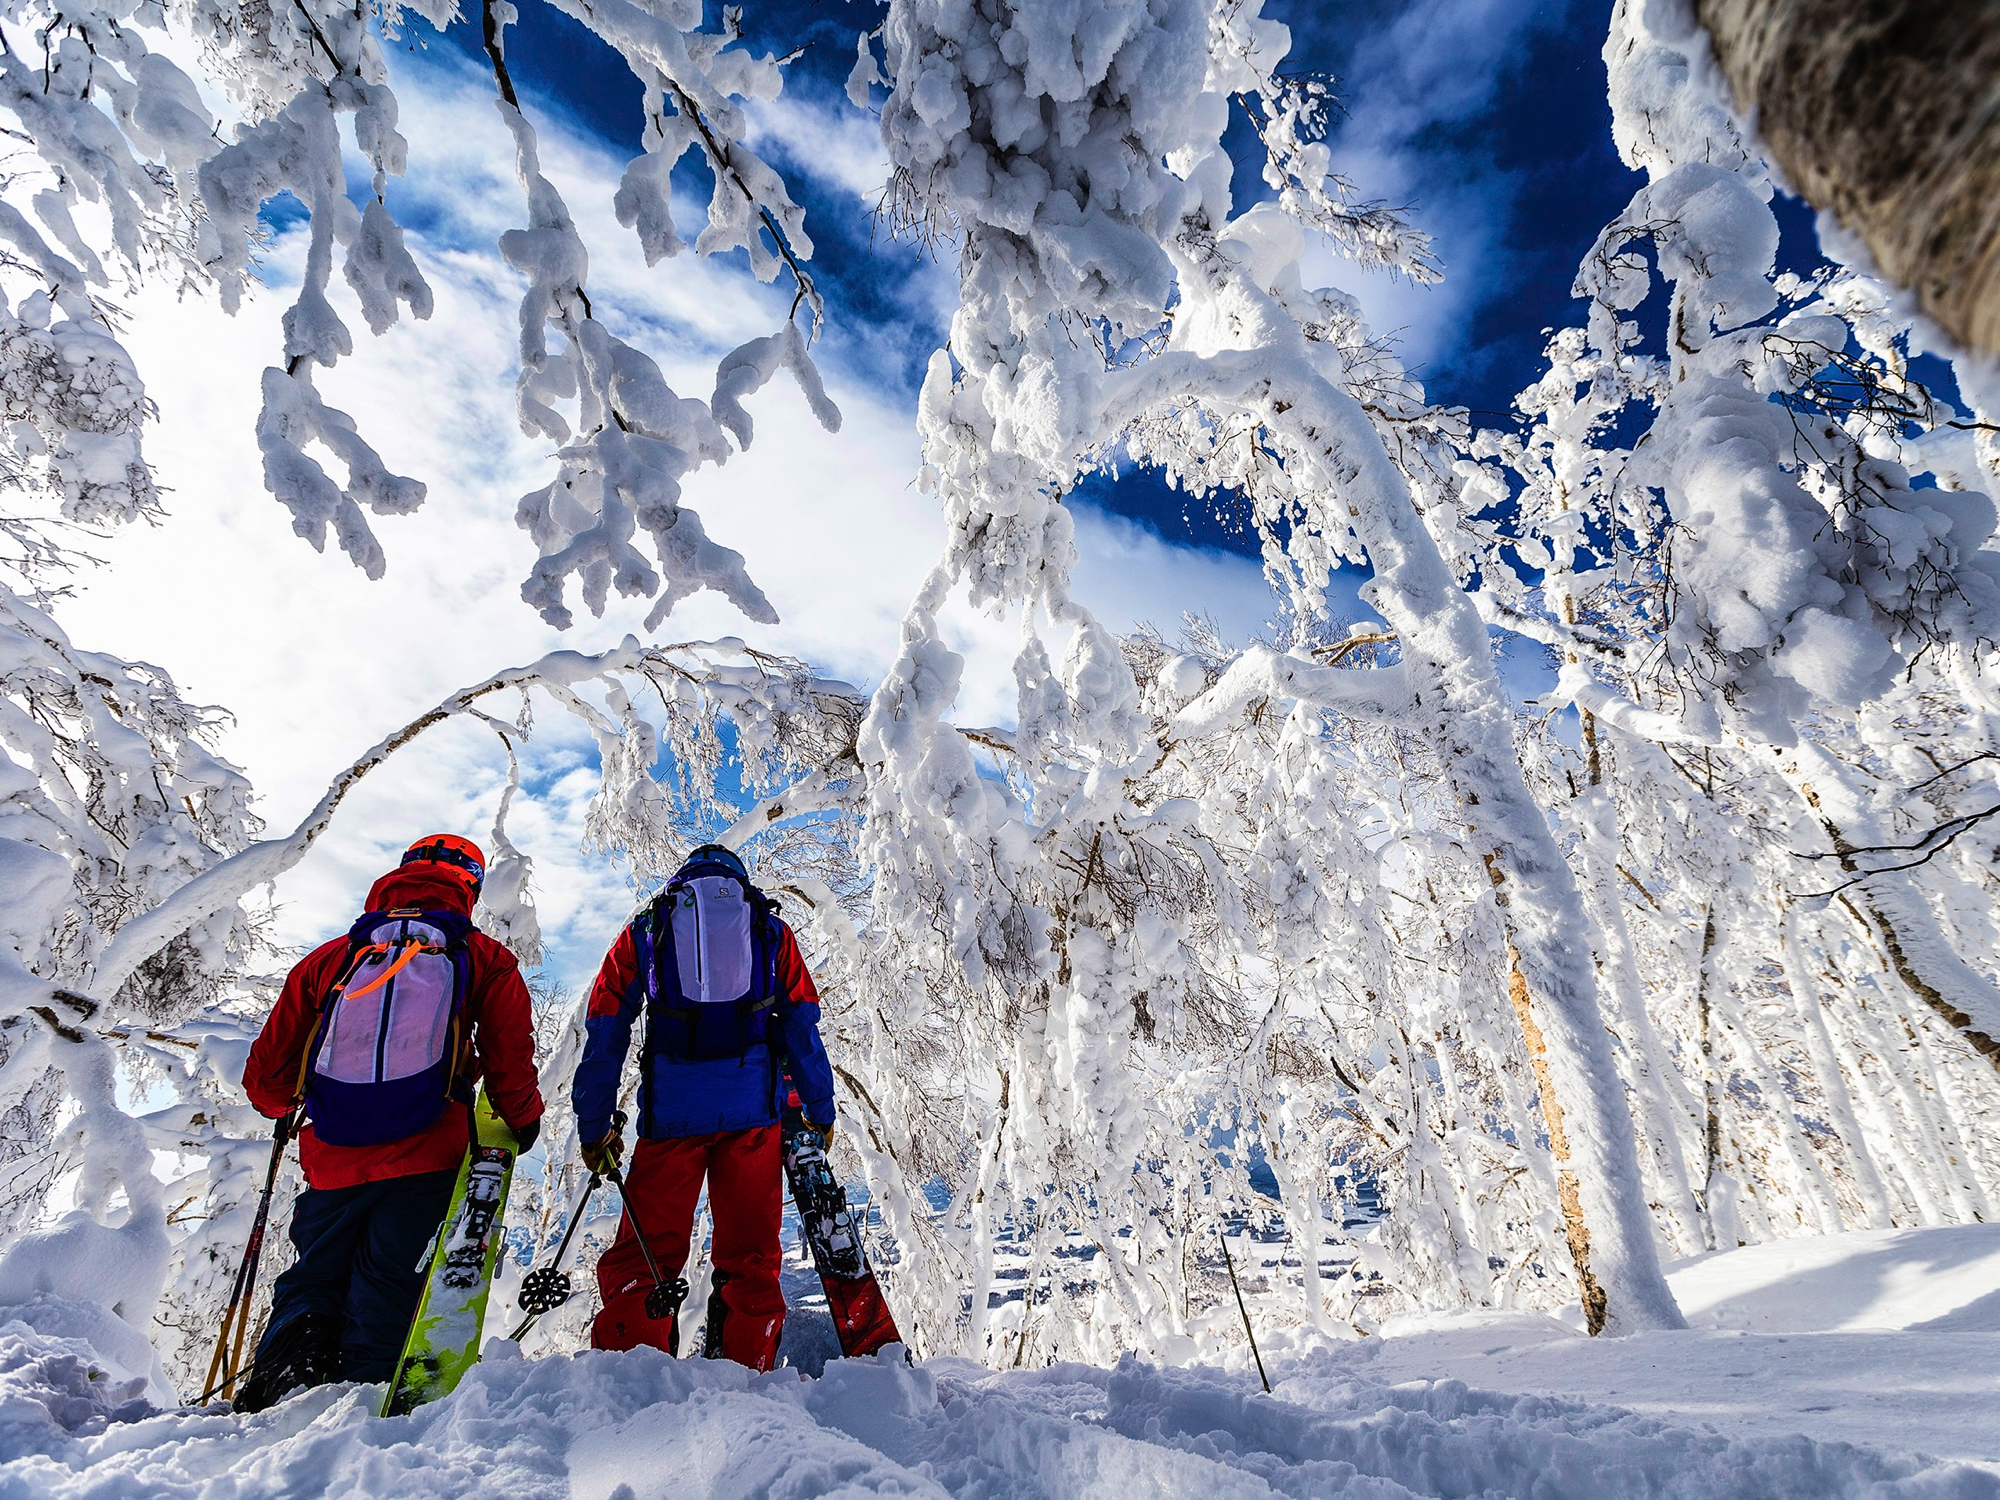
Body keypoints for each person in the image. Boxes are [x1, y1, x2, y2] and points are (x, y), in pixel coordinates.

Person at [234, 834, 543, 1410]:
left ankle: (278, 1400)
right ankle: (364, 1415)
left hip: (332, 1154)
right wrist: (522, 1122)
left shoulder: (332, 958)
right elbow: (509, 1059)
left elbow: (268, 1081)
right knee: (390, 1280)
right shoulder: (483, 957)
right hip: (428, 1151)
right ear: (470, 888)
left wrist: (286, 1112)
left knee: (313, 1279)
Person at [573, 843, 836, 1371]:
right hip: (752, 1117)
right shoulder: (769, 930)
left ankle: (631, 1375)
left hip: (672, 1116)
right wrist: (818, 1108)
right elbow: (803, 1023)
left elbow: (605, 1026)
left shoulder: (647, 930)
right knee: (751, 1256)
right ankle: (745, 1371)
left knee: (646, 1253)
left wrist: (595, 1123)